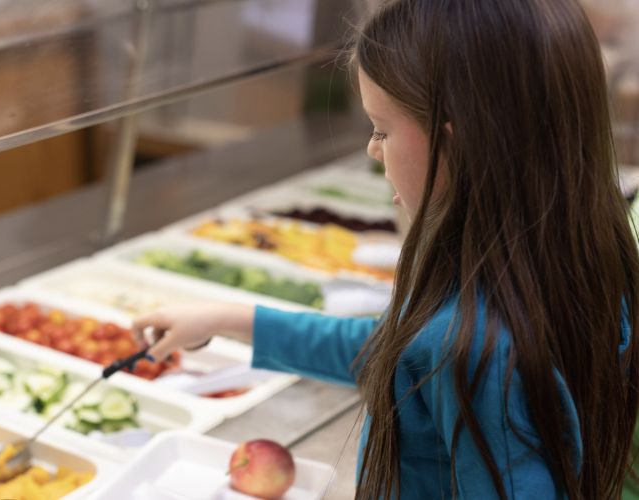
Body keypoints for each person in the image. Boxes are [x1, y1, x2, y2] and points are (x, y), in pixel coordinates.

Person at [133, 0, 639, 498]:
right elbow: (397, 355)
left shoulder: (473, 349)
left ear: (457, 143)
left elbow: (434, 357)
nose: (373, 150)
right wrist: (233, 319)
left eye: (381, 129)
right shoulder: (578, 260)